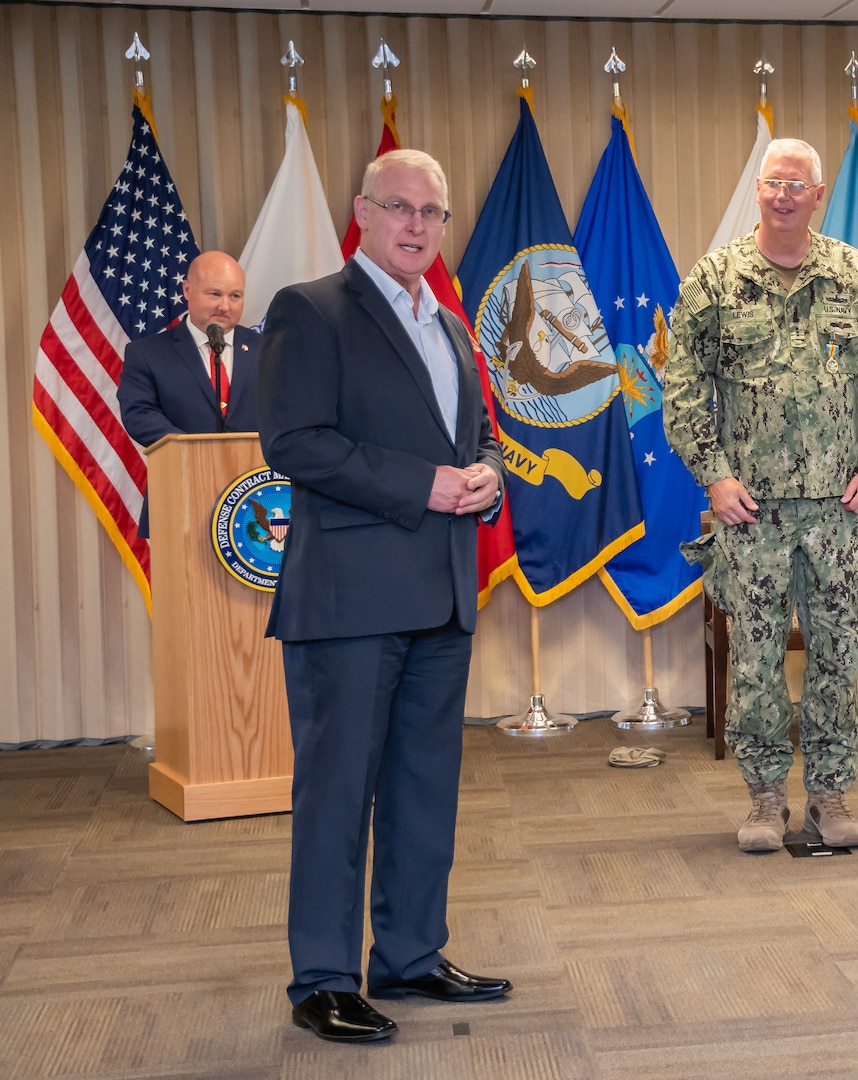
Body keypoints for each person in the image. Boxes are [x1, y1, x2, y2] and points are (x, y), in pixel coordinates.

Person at [258, 149, 510, 1043]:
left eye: (431, 212)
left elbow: (473, 439)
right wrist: (427, 486)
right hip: (351, 600)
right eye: (398, 207)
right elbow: (292, 442)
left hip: (440, 593)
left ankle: (408, 955)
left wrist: (484, 476)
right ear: (361, 211)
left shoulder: (448, 324)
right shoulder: (312, 309)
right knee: (337, 794)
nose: (415, 224)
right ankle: (323, 976)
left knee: (421, 786)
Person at [664, 138, 858, 854]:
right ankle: (765, 798)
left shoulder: (856, 277)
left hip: (841, 508)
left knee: (837, 651)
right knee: (756, 658)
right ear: (759, 191)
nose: (782, 195)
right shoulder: (714, 280)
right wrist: (713, 473)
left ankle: (829, 796)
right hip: (752, 511)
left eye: (796, 185)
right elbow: (681, 389)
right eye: (773, 183)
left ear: (818, 194)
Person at [117, 250, 260, 536]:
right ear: (187, 290)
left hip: (258, 498)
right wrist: (197, 454)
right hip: (180, 497)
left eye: (235, 296)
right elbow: (139, 415)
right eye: (214, 294)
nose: (224, 306)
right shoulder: (148, 354)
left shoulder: (270, 350)